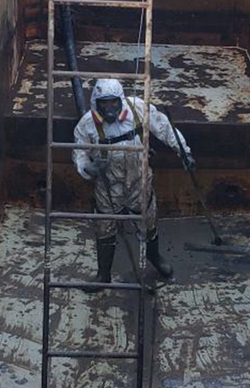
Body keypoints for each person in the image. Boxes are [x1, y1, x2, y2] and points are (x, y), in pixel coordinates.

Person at [72, 78, 195, 284]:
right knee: (105, 225)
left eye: (113, 103)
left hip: (139, 176)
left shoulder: (138, 109)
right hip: (108, 183)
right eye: (104, 103)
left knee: (147, 218)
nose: (109, 108)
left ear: (120, 100)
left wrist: (184, 152)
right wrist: (88, 168)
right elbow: (79, 153)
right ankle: (104, 275)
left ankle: (154, 256)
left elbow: (164, 128)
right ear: (96, 103)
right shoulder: (87, 124)